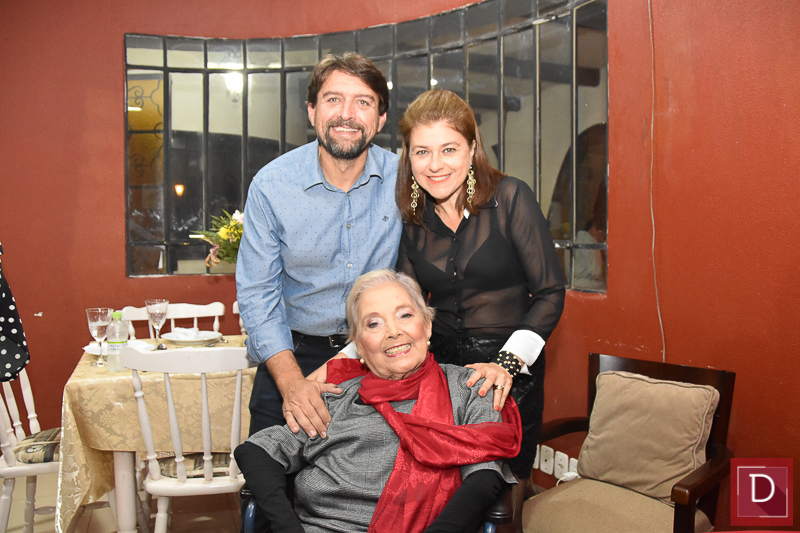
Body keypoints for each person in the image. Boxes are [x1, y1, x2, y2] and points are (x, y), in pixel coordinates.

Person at [234, 270, 521, 533]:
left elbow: (484, 476)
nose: (393, 332)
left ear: (427, 326)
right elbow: (259, 451)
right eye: (374, 323)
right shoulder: (335, 397)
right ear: (359, 344)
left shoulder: (470, 388)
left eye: (405, 315)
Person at [394, 89, 565, 482]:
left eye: (449, 149)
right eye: (422, 152)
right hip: (443, 375)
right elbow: (406, 306)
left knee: (502, 486)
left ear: (472, 149)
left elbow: (550, 293)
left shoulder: (510, 198)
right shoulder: (413, 221)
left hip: (510, 373)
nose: (435, 164)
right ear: (408, 156)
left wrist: (506, 364)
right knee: (446, 488)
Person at [235, 53, 401, 441]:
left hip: (378, 354)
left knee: (375, 476)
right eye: (333, 99)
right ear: (312, 111)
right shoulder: (271, 185)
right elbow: (258, 293)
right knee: (268, 472)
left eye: (363, 102)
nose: (346, 114)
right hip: (291, 356)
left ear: (380, 119)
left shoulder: (405, 180)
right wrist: (293, 384)